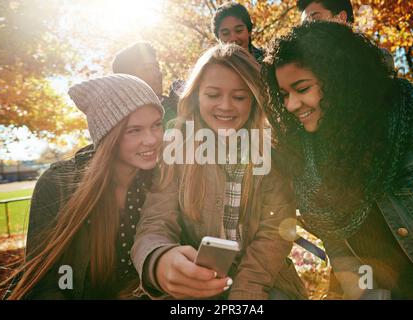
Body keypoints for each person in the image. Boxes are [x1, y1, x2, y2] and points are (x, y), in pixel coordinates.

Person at [262, 21, 413, 299]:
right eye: (284, 95)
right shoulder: (308, 161)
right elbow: (338, 243)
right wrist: (364, 292)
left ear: (340, 79)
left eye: (302, 88)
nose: (291, 105)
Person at [131, 43, 307, 300]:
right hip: (197, 279)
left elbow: (276, 230)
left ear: (254, 99)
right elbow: (156, 220)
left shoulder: (270, 150)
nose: (226, 106)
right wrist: (159, 259)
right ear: (196, 96)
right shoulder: (177, 145)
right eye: (213, 95)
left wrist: (247, 291)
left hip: (264, 281)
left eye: (239, 97)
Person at [3, 74, 164, 299]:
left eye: (157, 125)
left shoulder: (163, 181)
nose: (152, 139)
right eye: (134, 130)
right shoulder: (59, 185)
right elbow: (45, 282)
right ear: (108, 135)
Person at [297, 0, 395, 73]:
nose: (308, 28)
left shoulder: (379, 61)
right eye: (305, 24)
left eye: (315, 19)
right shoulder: (300, 69)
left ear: (341, 18)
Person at [112, 42, 179, 125]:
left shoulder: (176, 106)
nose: (158, 74)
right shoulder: (121, 123)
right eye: (148, 69)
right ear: (129, 78)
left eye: (157, 67)